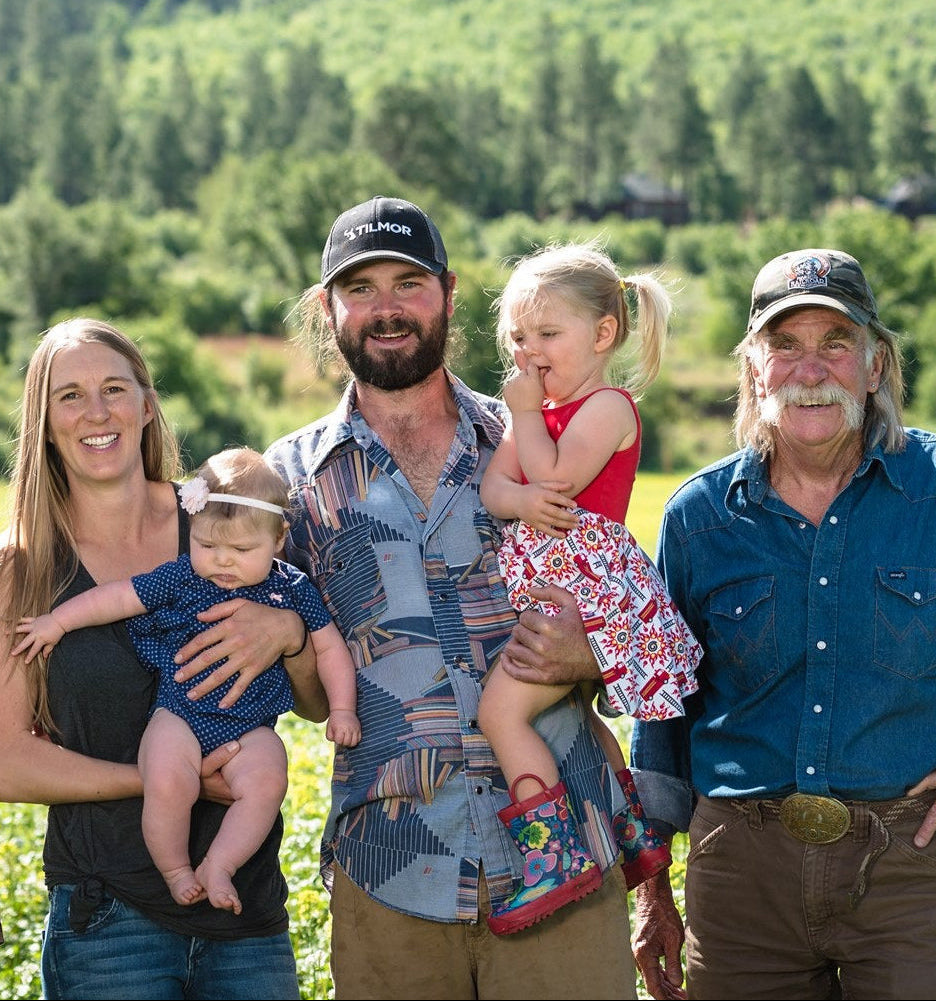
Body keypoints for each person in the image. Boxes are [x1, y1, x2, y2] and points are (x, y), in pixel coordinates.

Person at [264, 195, 638, 1000]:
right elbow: (294, 685)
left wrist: (592, 651)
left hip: (564, 863)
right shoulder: (291, 481)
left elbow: (623, 595)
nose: (387, 307)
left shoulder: (535, 442)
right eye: (360, 289)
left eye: (409, 282)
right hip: (394, 873)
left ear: (449, 292)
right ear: (326, 310)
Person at [622, 248, 936, 1000]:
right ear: (753, 368)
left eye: (835, 343)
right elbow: (661, 714)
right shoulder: (699, 518)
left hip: (910, 861)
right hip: (738, 874)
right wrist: (654, 894)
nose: (811, 370)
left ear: (874, 365)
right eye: (785, 345)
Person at [0, 319, 329, 1000]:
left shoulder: (217, 523)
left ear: (147, 405)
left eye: (115, 388)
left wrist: (291, 633)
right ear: (44, 421)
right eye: (71, 395)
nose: (98, 412)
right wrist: (161, 777)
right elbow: (6, 759)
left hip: (245, 909)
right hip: (107, 919)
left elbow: (317, 702)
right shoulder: (22, 567)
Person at [13, 446, 359, 915]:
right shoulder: (183, 577)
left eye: (241, 550)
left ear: (278, 539)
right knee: (168, 779)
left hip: (249, 726)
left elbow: (330, 648)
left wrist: (340, 710)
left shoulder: (291, 589)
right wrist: (58, 622)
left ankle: (220, 864)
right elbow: (117, 598)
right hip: (178, 713)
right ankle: (175, 869)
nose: (222, 562)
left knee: (268, 778)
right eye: (207, 545)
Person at [476, 242, 702, 934]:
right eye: (519, 337)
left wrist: (522, 441)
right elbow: (495, 490)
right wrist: (521, 490)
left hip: (591, 587)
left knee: (501, 714)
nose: (529, 352)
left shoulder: (607, 406)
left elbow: (556, 480)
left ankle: (552, 858)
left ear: (603, 334)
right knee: (582, 715)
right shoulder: (539, 410)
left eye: (548, 334)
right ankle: (634, 836)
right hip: (555, 580)